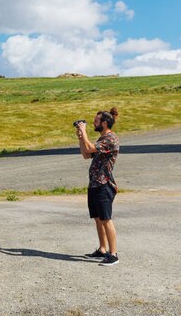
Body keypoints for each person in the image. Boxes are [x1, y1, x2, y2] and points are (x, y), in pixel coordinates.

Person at [76, 107, 120, 266]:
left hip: (104, 184)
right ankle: (102, 249)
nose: (94, 123)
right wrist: (81, 137)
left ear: (105, 123)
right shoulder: (101, 140)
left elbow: (89, 149)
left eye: (96, 121)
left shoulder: (110, 139)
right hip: (94, 184)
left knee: (106, 219)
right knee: (98, 218)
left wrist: (84, 132)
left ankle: (113, 254)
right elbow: (86, 154)